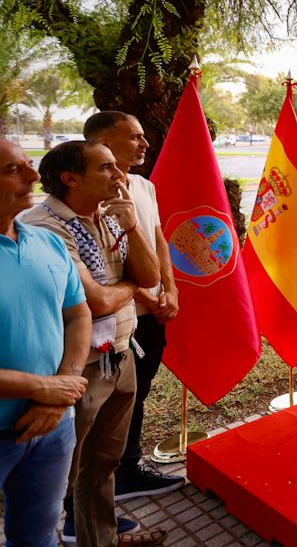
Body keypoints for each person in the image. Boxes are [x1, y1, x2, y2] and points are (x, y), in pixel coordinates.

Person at [22, 141, 164, 547]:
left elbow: (149, 275)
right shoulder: (44, 226)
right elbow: (97, 303)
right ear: (70, 178)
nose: (119, 176)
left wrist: (134, 228)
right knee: (58, 474)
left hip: (120, 355)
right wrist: (134, 285)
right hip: (78, 368)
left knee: (103, 463)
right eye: (106, 168)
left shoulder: (109, 216)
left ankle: (99, 538)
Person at [84, 112, 184, 500]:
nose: (145, 144)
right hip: (121, 317)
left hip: (154, 309)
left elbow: (158, 239)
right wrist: (148, 295)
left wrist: (170, 289)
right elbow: (108, 257)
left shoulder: (143, 185)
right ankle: (106, 480)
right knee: (107, 403)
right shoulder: (93, 192)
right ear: (104, 140)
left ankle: (128, 468)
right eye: (136, 137)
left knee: (137, 393)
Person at [0, 139, 91, 547]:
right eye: (12, 170)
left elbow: (78, 313)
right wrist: (44, 388)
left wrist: (61, 392)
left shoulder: (46, 241)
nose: (35, 176)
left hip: (53, 427)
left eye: (29, 165)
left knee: (37, 535)